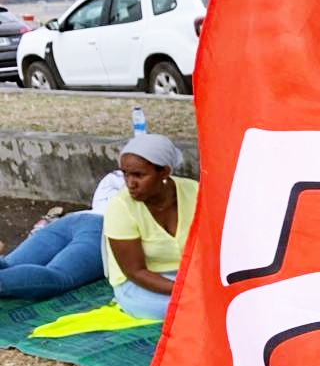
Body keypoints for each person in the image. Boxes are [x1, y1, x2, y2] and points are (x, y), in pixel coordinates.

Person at [104, 134, 198, 320]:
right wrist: (187, 291)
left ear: (163, 172)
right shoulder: (121, 206)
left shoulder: (195, 192)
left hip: (188, 275)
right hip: (139, 285)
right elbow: (135, 272)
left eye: (139, 175)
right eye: (125, 174)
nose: (130, 183)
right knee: (193, 310)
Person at [0, 172, 125, 300]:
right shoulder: (138, 183)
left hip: (73, 218)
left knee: (9, 264)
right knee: (58, 276)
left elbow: (100, 201)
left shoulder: (117, 176)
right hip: (103, 227)